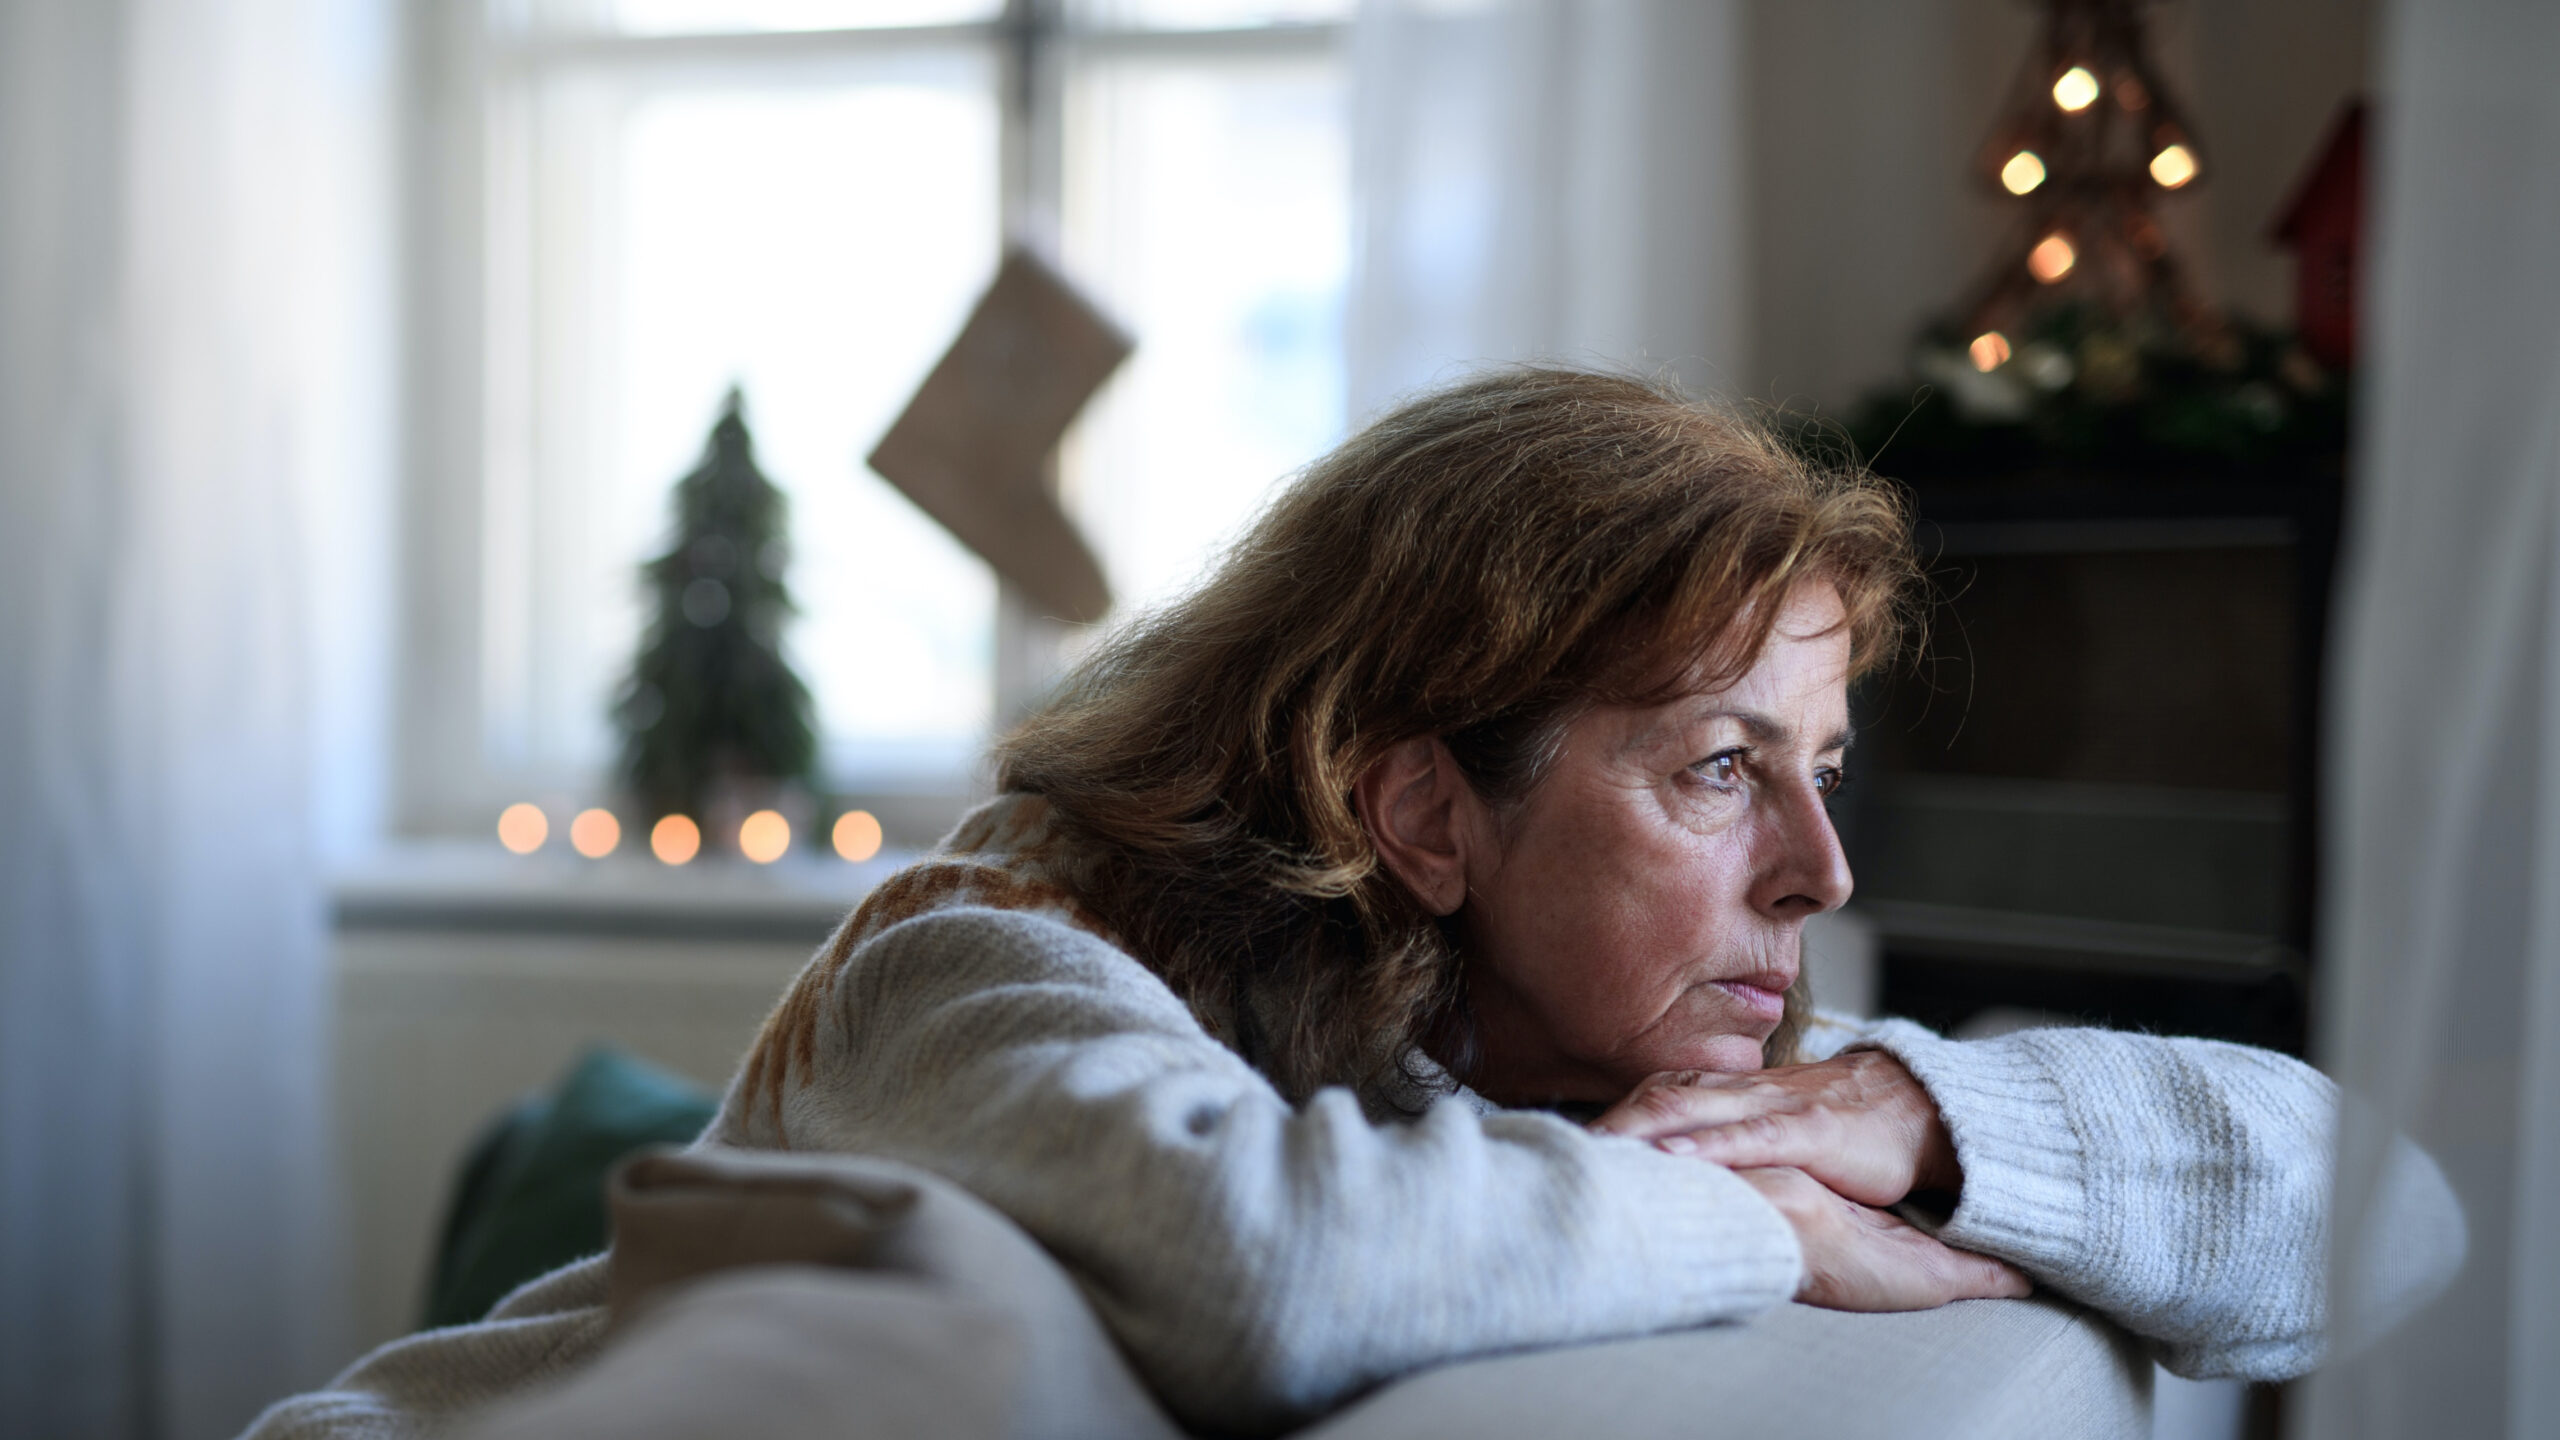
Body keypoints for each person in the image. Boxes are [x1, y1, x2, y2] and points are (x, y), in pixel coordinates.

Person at [245, 367, 2461, 1439]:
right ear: (1420, 816)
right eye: (1719, 771)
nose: (1821, 870)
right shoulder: (976, 963)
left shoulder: (1618, 1055)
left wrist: (1915, 1116)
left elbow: (2389, 1216)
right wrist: (1766, 1219)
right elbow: (1267, 1267)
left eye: (1822, 770)